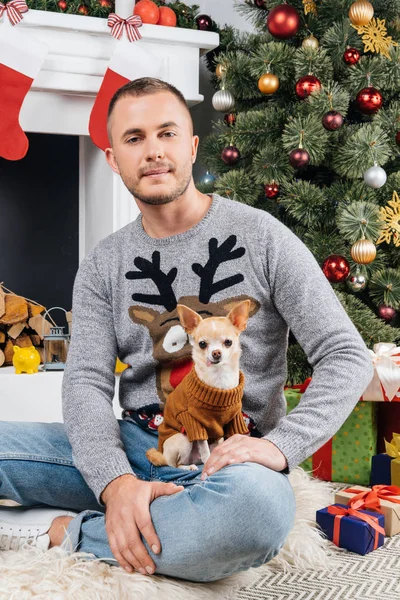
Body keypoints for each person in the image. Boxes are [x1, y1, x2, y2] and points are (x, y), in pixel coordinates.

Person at [0, 77, 374, 583]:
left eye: (166, 133)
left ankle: (61, 534)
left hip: (232, 463)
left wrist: (282, 446)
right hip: (138, 443)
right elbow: (85, 380)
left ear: (192, 146)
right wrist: (115, 482)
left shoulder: (264, 236)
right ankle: (140, 516)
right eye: (133, 138)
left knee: (254, 516)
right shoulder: (102, 263)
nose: (152, 151)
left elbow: (346, 354)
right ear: (113, 159)